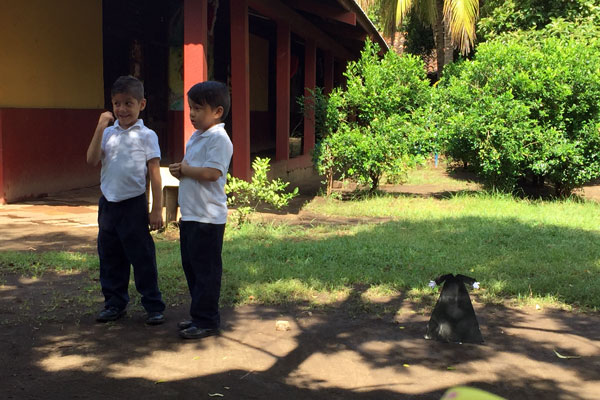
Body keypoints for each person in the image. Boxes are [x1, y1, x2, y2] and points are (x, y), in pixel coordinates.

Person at [86, 75, 166, 325]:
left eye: (128, 103)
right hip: (108, 204)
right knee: (109, 256)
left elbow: (154, 173)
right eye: (117, 103)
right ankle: (114, 303)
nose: (122, 109)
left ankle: (153, 305)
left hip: (133, 204)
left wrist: (156, 209)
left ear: (142, 104)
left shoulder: (147, 135)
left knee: (141, 256)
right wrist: (100, 126)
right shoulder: (107, 133)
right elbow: (91, 159)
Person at [168, 81, 233, 339]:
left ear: (217, 112)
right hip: (192, 215)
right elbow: (191, 166)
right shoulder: (197, 136)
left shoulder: (219, 139)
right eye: (190, 108)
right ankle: (199, 315)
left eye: (198, 108)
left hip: (208, 218)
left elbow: (212, 173)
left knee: (206, 271)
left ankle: (207, 321)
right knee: (192, 268)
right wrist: (179, 168)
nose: (192, 114)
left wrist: (183, 170)